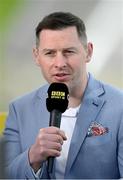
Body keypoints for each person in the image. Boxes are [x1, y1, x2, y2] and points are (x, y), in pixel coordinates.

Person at [3, 11, 123, 179]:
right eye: (50, 53)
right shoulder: (19, 109)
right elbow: (6, 175)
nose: (59, 63)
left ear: (88, 52)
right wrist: (33, 156)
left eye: (69, 51)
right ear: (37, 56)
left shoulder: (119, 106)